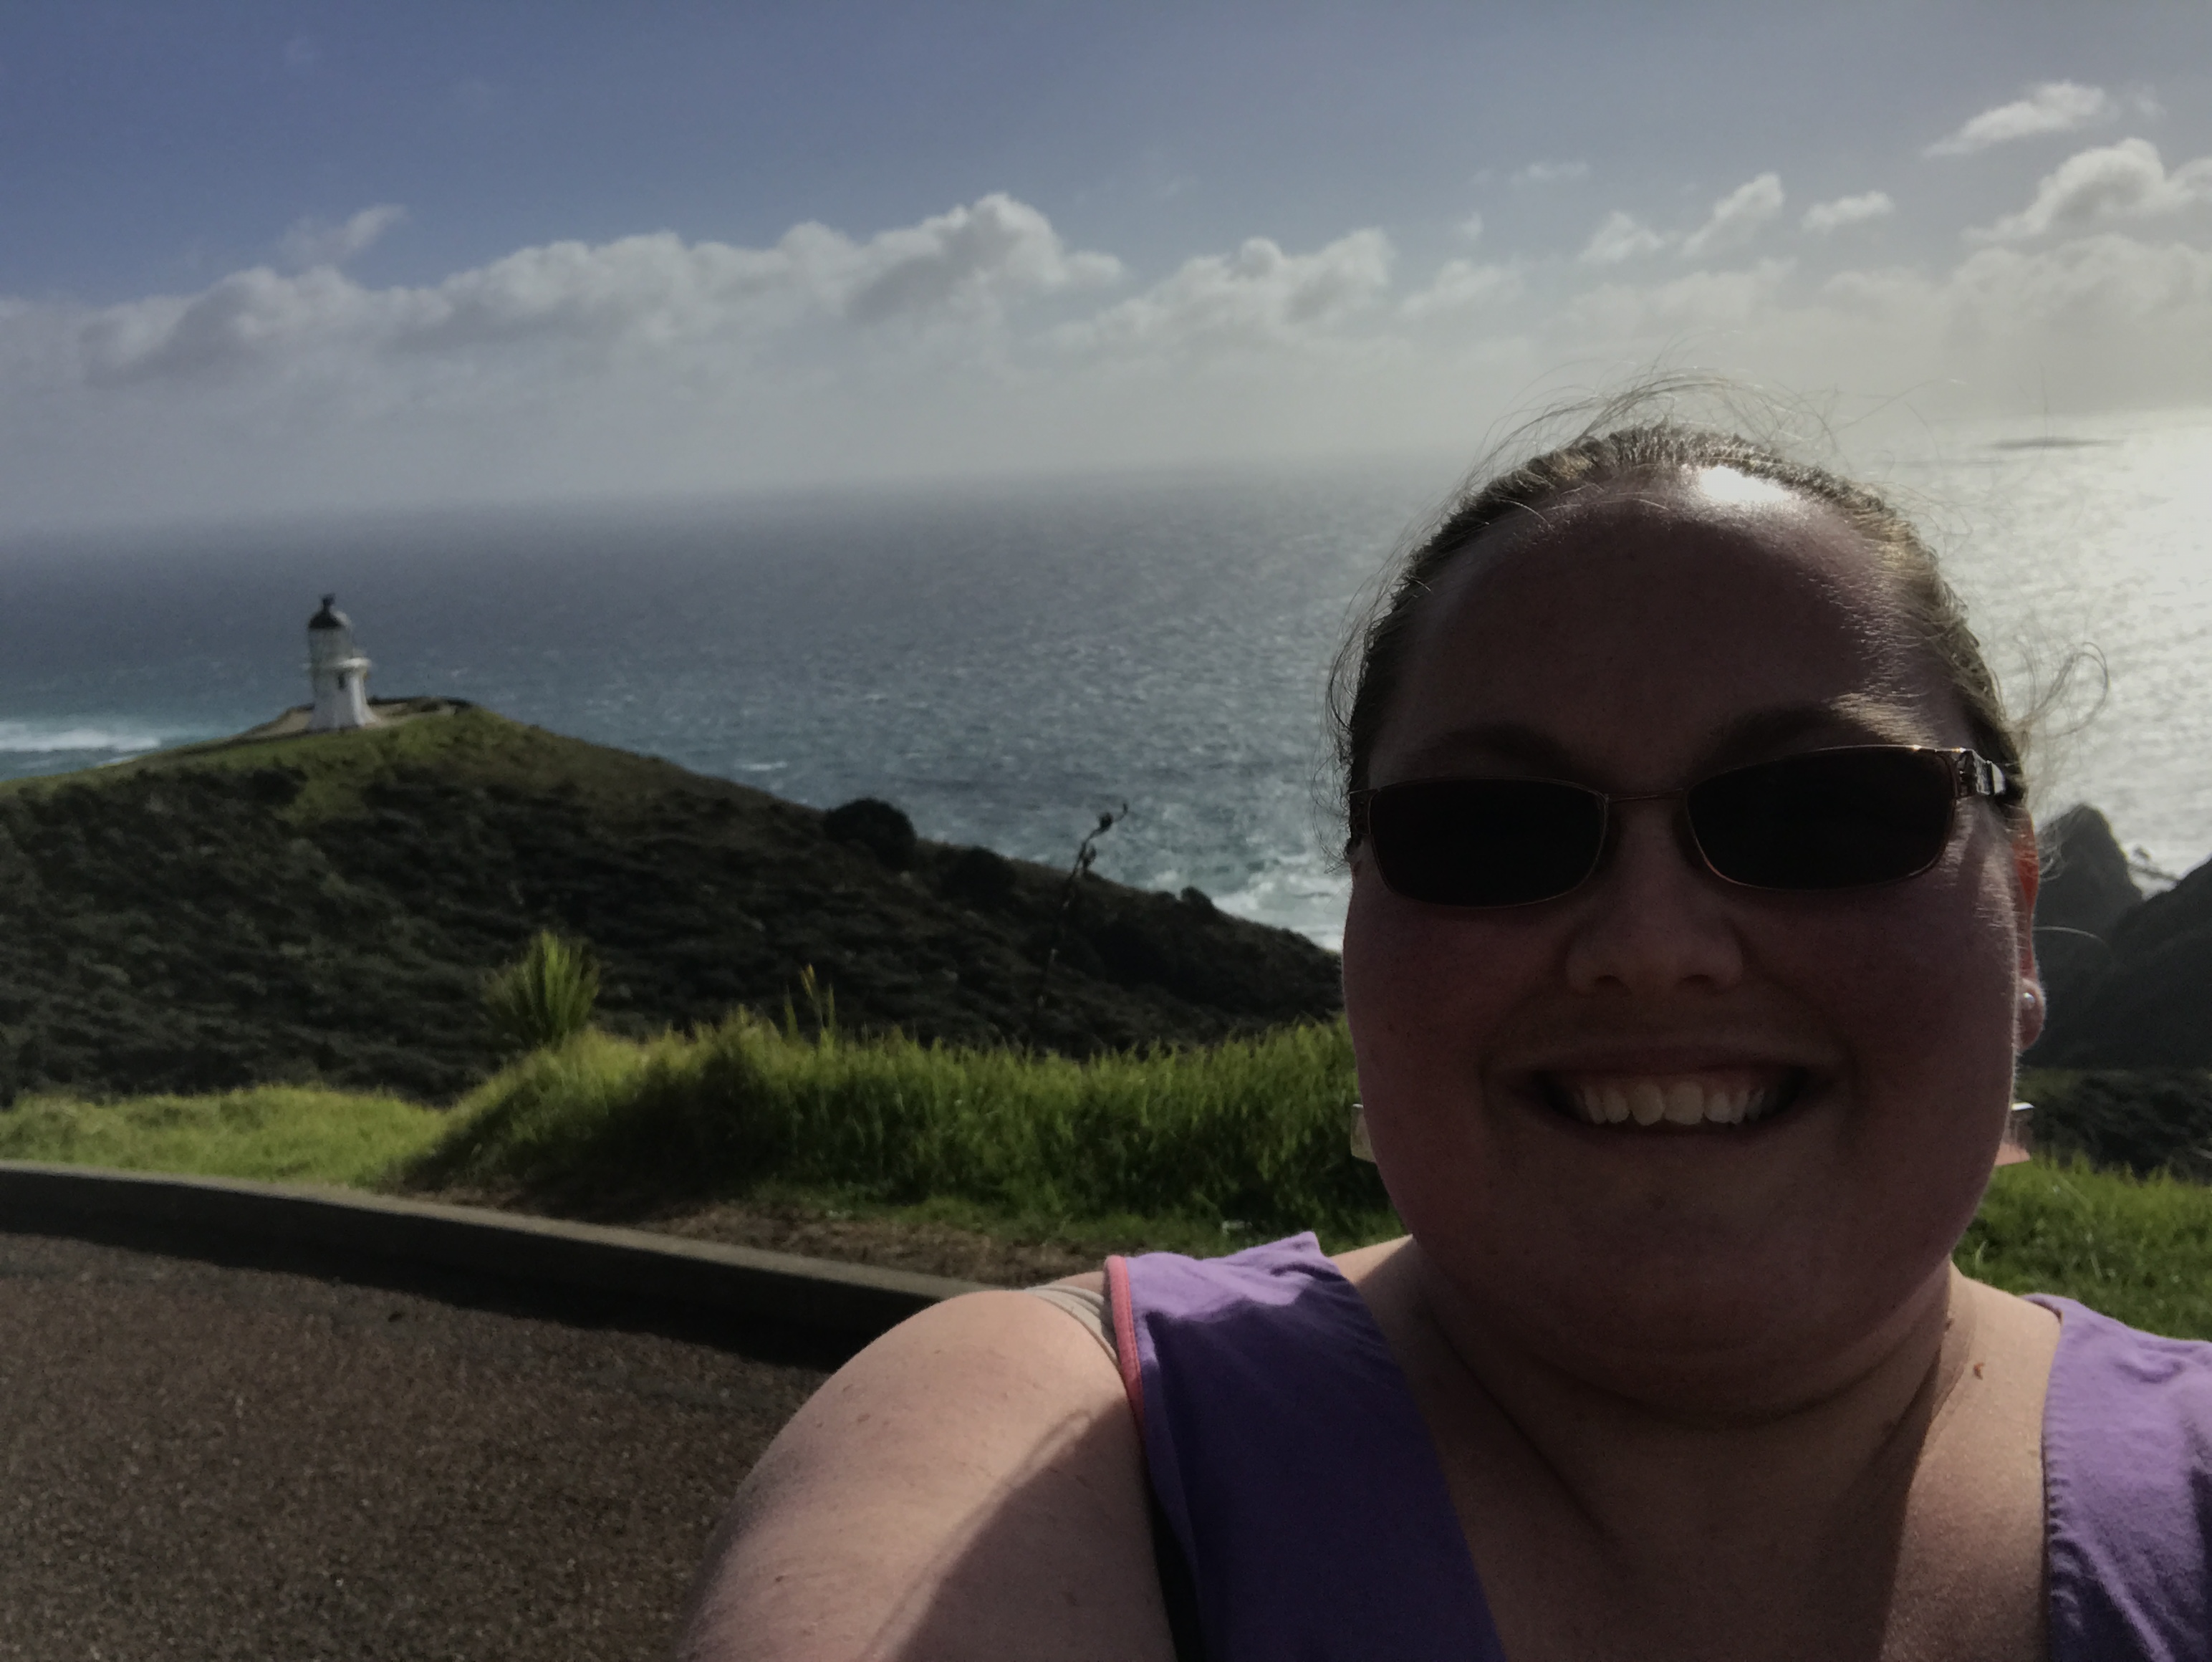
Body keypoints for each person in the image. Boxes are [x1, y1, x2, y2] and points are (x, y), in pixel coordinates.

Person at [673, 411, 2212, 1661]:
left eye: (1823, 811)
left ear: (2019, 916)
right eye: (1488, 830)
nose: (1650, 946)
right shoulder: (1059, 1438)